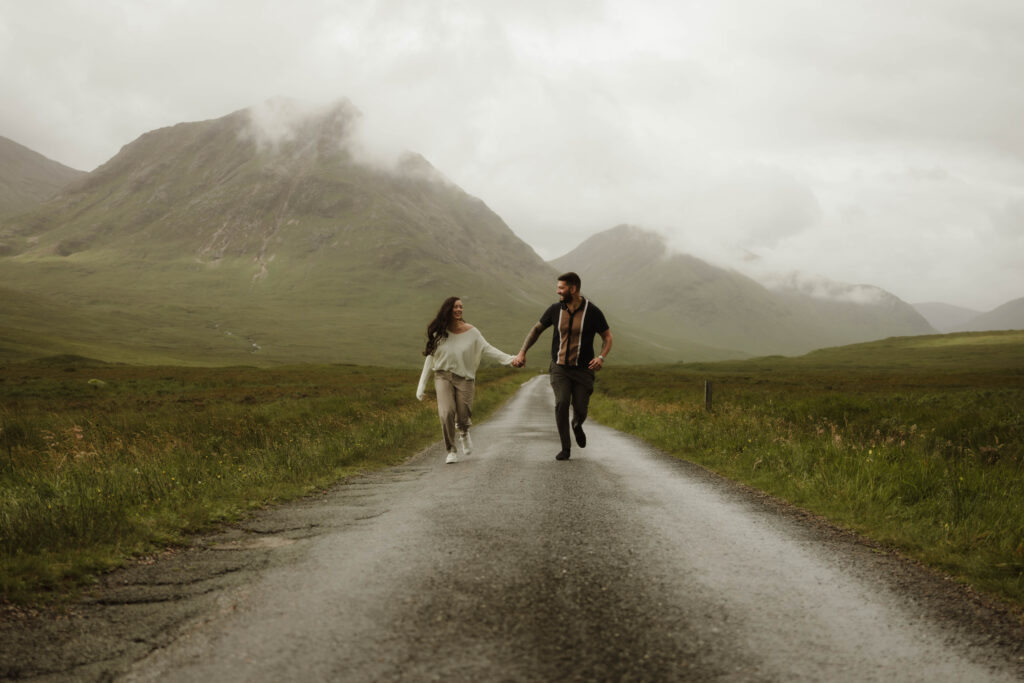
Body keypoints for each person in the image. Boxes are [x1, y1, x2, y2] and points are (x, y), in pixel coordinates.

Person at [511, 272, 612, 461]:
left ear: (573, 289)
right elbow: (536, 330)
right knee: (562, 402)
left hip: (584, 370)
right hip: (560, 368)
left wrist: (601, 357)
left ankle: (577, 423)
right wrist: (522, 352)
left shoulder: (593, 311)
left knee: (580, 409)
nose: (557, 291)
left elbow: (607, 337)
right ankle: (565, 448)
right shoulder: (555, 309)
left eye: (561, 288)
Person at [417, 296, 516, 464]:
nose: (459, 310)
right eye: (456, 307)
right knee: (446, 412)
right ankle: (451, 450)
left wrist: (510, 359)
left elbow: (488, 348)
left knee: (463, 416)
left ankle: (463, 432)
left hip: (465, 379)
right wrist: (421, 387)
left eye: (461, 307)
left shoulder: (472, 332)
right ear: (448, 309)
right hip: (442, 376)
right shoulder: (439, 332)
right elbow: (430, 359)